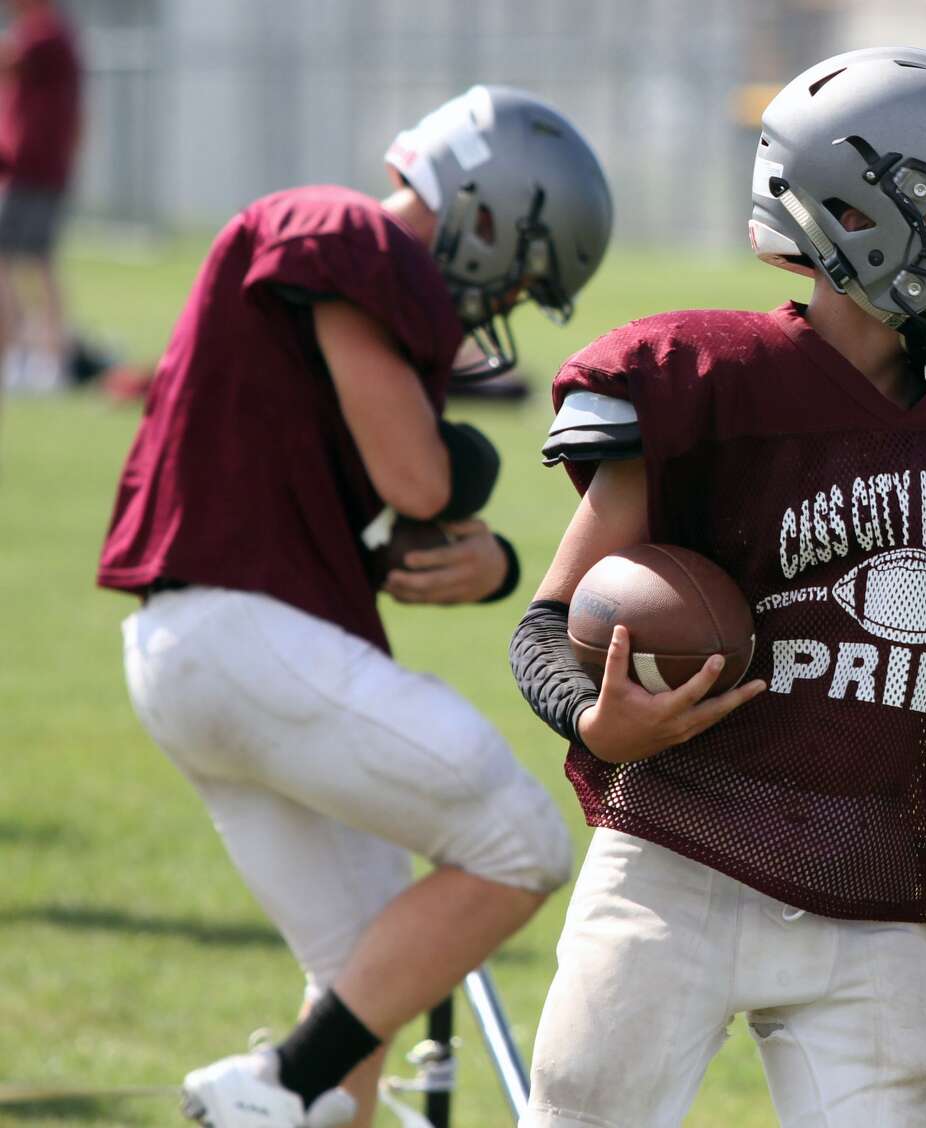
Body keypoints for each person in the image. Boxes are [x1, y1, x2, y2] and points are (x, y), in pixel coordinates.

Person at [509, 47, 926, 1127]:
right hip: (677, 857)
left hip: (865, 886)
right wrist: (595, 720)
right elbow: (546, 627)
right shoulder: (702, 385)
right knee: (584, 1108)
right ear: (854, 211)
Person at [97, 85, 612, 1128]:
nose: (501, 305)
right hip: (242, 637)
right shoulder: (341, 235)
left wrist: (493, 564)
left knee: (364, 1000)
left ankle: (293, 1089)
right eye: (518, 274)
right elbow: (421, 482)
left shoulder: (333, 281)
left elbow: (384, 519)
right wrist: (454, 490)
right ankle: (278, 1082)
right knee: (522, 841)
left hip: (207, 645)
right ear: (482, 214)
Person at [0, 0, 80, 400]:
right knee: (28, 262)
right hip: (29, 168)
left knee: (25, 262)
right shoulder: (47, 35)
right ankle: (38, 357)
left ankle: (36, 357)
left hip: (32, 169)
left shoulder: (44, 34)